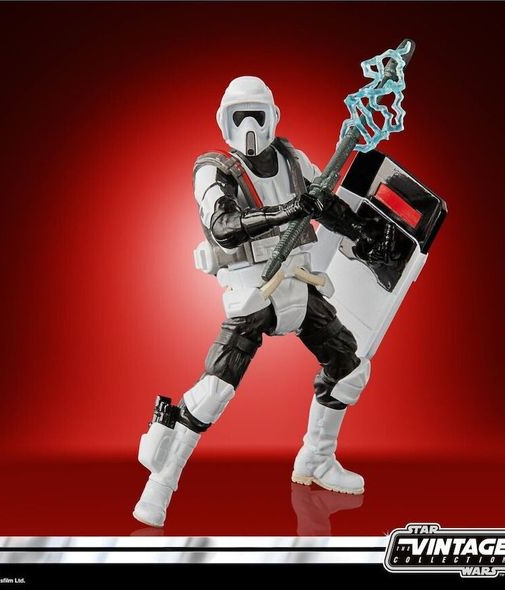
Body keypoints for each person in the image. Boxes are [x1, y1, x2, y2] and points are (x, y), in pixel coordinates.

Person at [133, 76, 388, 528]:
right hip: (252, 291)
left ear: (273, 117)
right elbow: (224, 227)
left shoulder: (294, 160)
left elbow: (324, 204)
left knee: (349, 368)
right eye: (240, 116)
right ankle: (161, 483)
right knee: (213, 391)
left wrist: (360, 232)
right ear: (224, 122)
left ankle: (316, 458)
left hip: (298, 283)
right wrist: (287, 211)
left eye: (257, 115)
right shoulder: (213, 170)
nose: (249, 125)